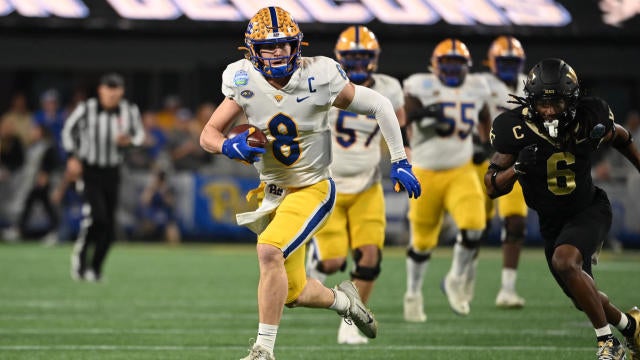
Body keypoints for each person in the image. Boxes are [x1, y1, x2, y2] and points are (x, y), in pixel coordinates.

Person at [199, 7, 421, 360]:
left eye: (284, 45)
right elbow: (208, 133)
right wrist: (226, 145)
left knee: (269, 250)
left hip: (313, 186)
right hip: (273, 192)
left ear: (297, 45)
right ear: (252, 50)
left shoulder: (320, 74)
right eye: (268, 48)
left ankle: (263, 351)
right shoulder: (240, 79)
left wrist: (399, 159)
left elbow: (379, 104)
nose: (278, 54)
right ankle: (345, 302)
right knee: (293, 292)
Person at [485, 58, 640, 360]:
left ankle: (609, 345)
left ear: (571, 99)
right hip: (552, 224)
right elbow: (491, 186)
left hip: (589, 209)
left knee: (565, 261)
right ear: (531, 101)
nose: (549, 111)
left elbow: (621, 136)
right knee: (583, 297)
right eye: (543, 103)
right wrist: (517, 169)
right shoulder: (514, 129)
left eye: (556, 103)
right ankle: (630, 325)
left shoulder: (588, 117)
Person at [305, 25, 407, 345]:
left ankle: (353, 319)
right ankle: (316, 258)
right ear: (339, 58)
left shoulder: (390, 89)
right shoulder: (323, 83)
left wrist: (403, 160)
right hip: (329, 185)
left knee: (370, 257)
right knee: (333, 262)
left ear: (375, 58)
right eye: (352, 57)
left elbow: (399, 125)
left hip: (367, 185)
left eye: (364, 56)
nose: (359, 63)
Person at [402, 38, 491, 321]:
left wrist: (485, 144)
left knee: (475, 225)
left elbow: (487, 120)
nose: (452, 71)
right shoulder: (419, 84)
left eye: (457, 65)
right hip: (425, 171)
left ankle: (455, 277)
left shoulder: (478, 87)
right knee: (423, 242)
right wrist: (422, 113)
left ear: (467, 67)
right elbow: (404, 117)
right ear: (434, 65)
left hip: (460, 169)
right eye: (447, 64)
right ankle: (413, 293)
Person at [62, 72, 145, 282]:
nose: (112, 94)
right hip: (89, 170)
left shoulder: (129, 110)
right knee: (97, 217)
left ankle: (95, 268)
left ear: (121, 92)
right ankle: (80, 261)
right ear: (101, 90)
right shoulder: (86, 108)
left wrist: (129, 142)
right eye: (109, 89)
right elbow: (68, 131)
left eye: (116, 90)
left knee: (108, 225)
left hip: (112, 171)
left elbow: (140, 136)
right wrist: (72, 157)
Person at [478, 35, 529, 308]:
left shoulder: (530, 84)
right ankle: (461, 279)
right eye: (504, 61)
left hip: (516, 160)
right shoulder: (482, 84)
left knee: (515, 222)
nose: (508, 67)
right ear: (492, 62)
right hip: (486, 158)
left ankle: (507, 289)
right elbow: (474, 117)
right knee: (477, 227)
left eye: (513, 61)